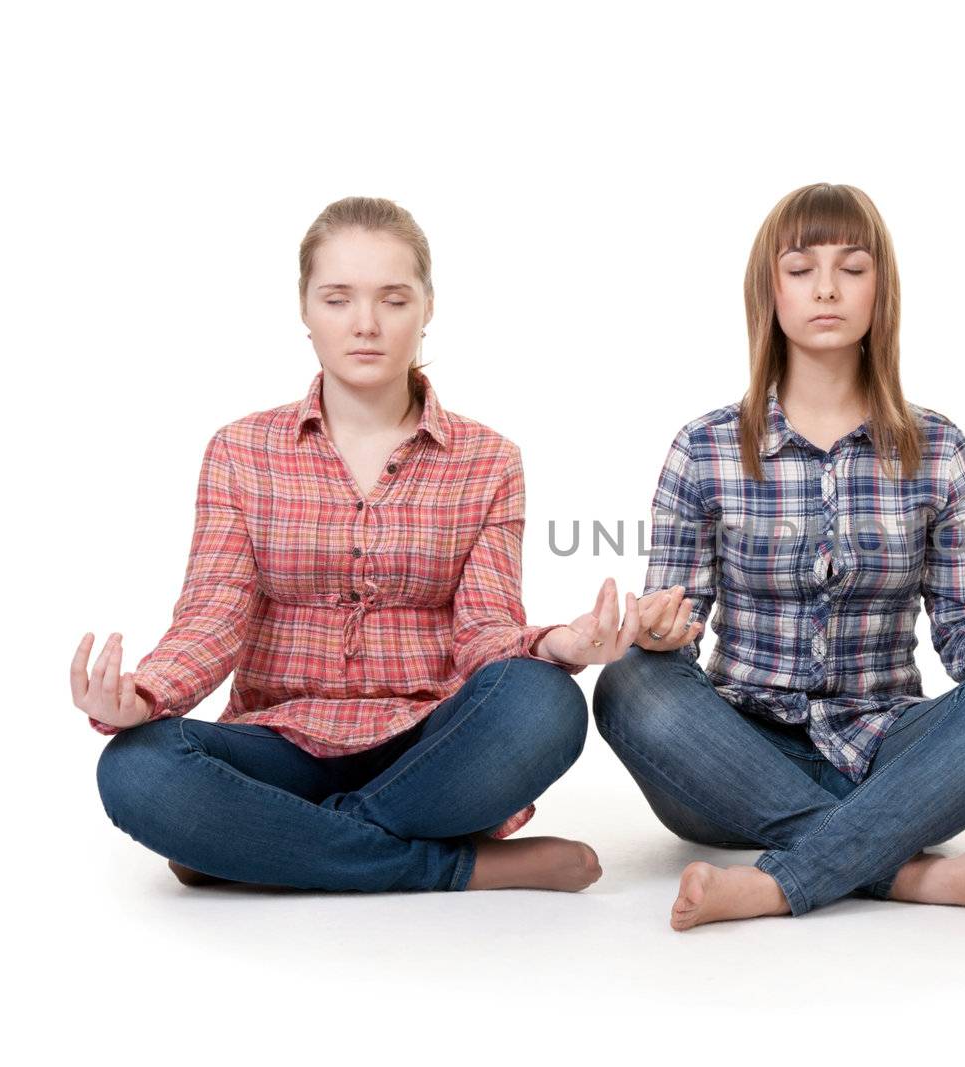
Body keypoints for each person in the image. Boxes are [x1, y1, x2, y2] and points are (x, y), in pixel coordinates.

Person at [78, 196, 640, 892]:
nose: (366, 324)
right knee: (138, 765)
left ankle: (261, 838)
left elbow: (484, 631)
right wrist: (143, 693)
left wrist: (556, 645)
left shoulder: (490, 460)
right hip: (279, 740)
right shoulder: (239, 450)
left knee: (546, 701)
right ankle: (451, 864)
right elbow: (212, 615)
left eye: (393, 299)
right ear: (306, 309)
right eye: (338, 299)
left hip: (429, 745)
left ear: (428, 306)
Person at [594, 183, 965, 930]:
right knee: (629, 685)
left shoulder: (939, 448)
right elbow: (673, 624)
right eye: (801, 268)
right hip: (732, 758)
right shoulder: (705, 447)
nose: (826, 288)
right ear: (769, 291)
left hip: (889, 749)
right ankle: (902, 872)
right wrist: (657, 630)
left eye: (852, 268)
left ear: (881, 292)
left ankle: (776, 881)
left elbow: (961, 634)